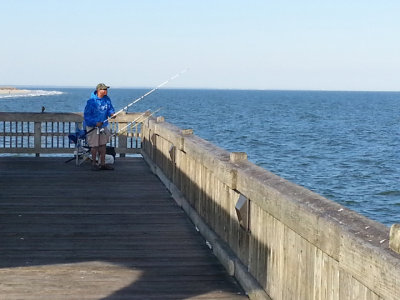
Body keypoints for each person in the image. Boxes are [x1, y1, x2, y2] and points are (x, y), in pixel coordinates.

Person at [84, 83, 115, 171]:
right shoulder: (91, 102)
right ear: (98, 90)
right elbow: (87, 116)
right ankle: (94, 163)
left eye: (106, 89)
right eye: (104, 89)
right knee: (94, 146)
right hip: (93, 127)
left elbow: (110, 109)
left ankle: (103, 163)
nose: (106, 91)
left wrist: (112, 114)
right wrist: (95, 123)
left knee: (103, 145)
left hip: (103, 126)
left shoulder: (107, 99)